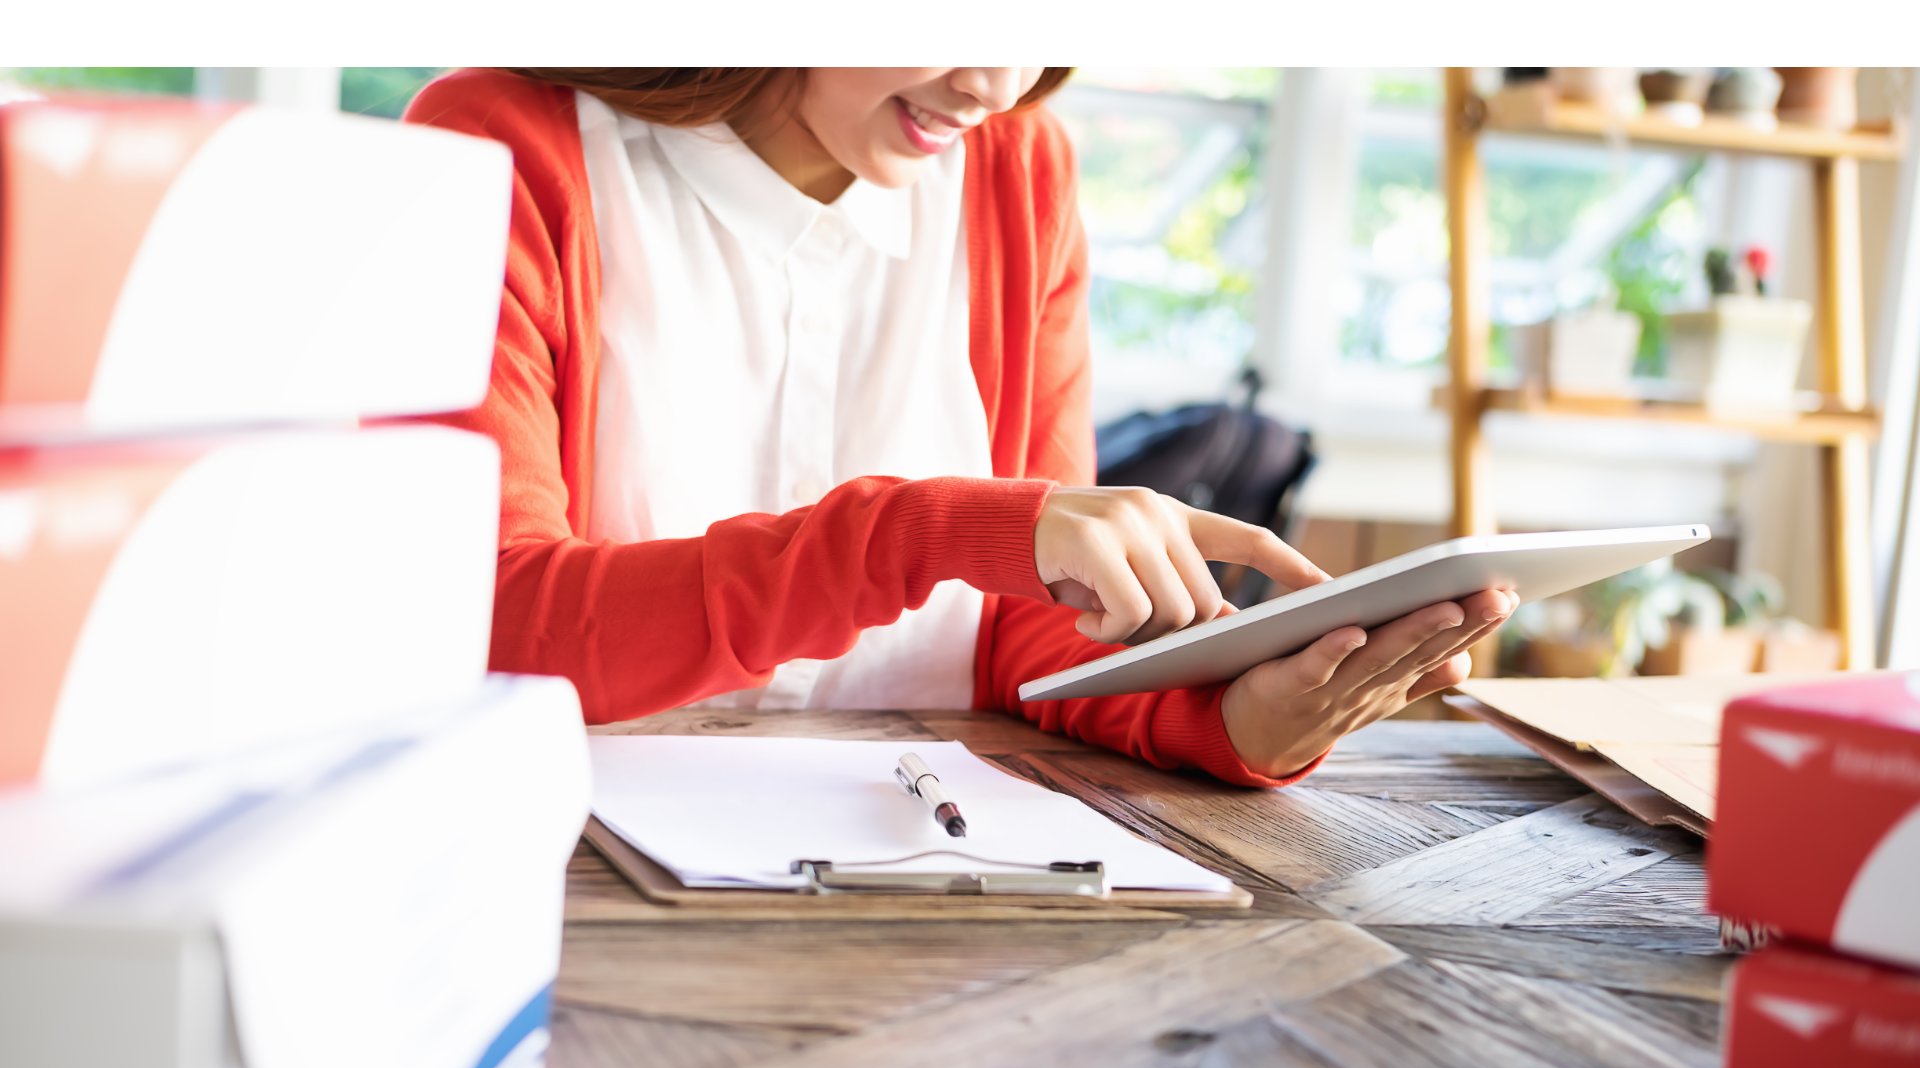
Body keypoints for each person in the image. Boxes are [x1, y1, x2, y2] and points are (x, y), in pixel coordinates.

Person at [407, 67, 1513, 786]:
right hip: (556, 868)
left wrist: (1234, 724)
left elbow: (1033, 637)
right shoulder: (501, 146)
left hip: (923, 869)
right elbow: (502, 631)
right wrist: (915, 534)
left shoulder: (1023, 176)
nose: (993, 85)